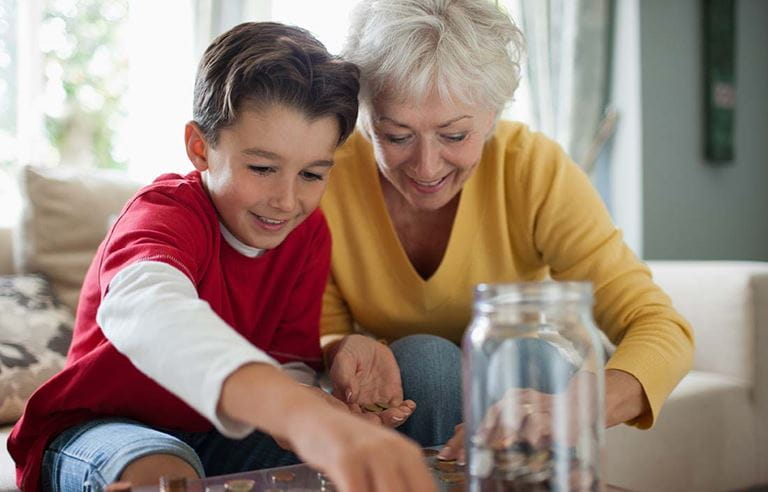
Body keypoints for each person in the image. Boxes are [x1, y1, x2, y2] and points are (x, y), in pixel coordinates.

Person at [8, 22, 436, 492]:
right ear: (200, 148)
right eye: (262, 168)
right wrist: (291, 410)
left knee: (333, 468)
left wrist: (310, 400)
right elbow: (152, 310)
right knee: (163, 471)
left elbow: (286, 360)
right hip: (103, 427)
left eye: (312, 174)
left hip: (214, 434)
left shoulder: (308, 234)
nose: (286, 200)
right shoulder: (164, 214)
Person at [320, 0, 694, 457]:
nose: (426, 166)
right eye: (397, 136)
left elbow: (659, 325)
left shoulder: (533, 170)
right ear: (364, 117)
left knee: (525, 357)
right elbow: (325, 331)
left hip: (523, 374)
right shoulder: (329, 176)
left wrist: (581, 405)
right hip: (415, 385)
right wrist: (344, 349)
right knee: (425, 362)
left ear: (493, 114)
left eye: (455, 135)